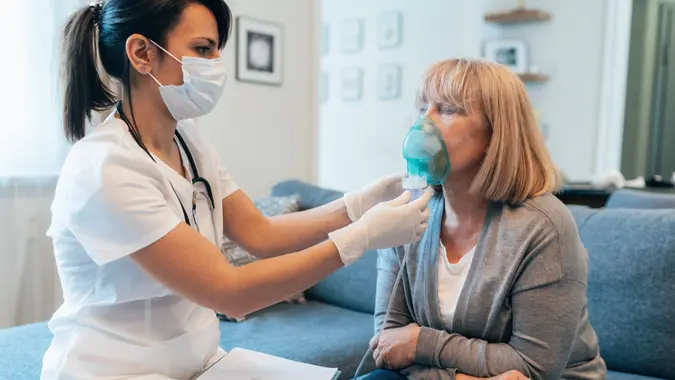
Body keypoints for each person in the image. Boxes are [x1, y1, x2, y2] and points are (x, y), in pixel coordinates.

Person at [42, 1, 432, 379]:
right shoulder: (105, 168)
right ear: (142, 53)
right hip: (117, 371)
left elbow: (261, 234)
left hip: (198, 364)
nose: (214, 67)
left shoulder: (188, 141)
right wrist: (361, 238)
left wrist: (357, 204)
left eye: (216, 51)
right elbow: (229, 292)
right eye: (201, 50)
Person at [365, 59, 607, 380]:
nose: (424, 123)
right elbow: (387, 343)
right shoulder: (407, 213)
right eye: (423, 108)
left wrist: (422, 342)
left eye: (448, 109)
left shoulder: (544, 226)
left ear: (497, 134)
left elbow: (534, 367)